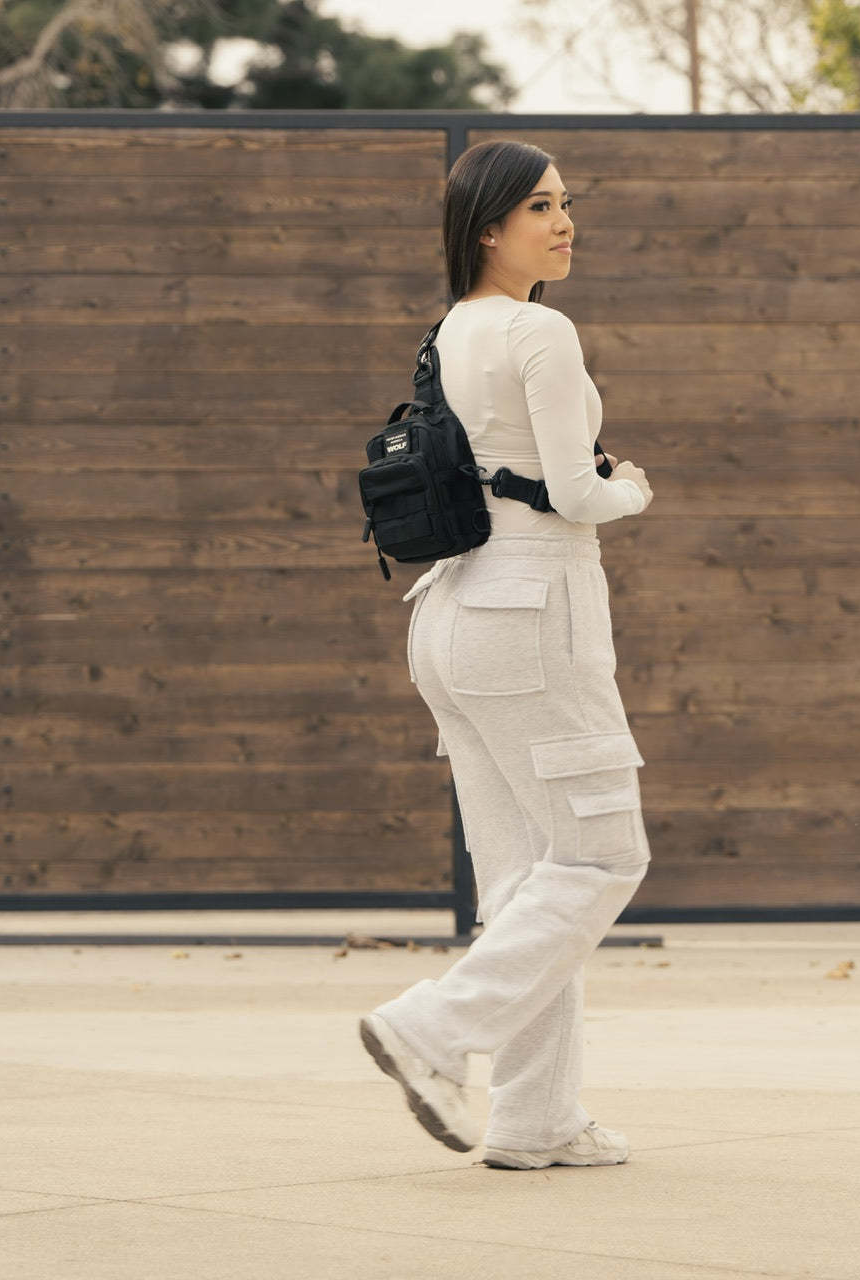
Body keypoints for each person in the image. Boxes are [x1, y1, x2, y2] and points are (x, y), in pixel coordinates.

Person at [359, 139, 655, 1172]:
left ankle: (534, 1119)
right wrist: (633, 490)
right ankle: (432, 1029)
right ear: (487, 227)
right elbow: (575, 494)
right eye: (538, 206)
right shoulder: (540, 329)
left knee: (528, 877)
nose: (563, 221)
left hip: (451, 614)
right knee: (604, 855)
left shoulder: (451, 330)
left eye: (567, 202)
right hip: (531, 613)